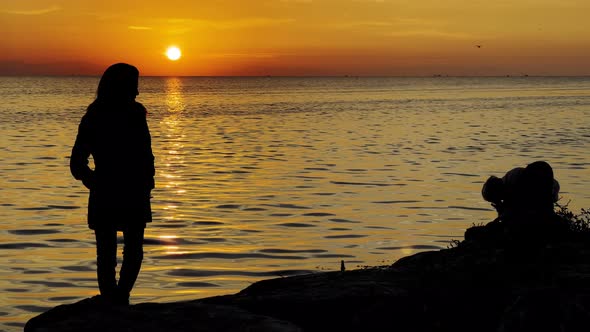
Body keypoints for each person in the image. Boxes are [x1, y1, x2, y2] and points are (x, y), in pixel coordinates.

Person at [70, 63, 155, 305]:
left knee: (116, 251)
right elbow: (77, 161)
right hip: (114, 190)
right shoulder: (96, 117)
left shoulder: (131, 114)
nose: (138, 92)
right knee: (113, 251)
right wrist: (93, 181)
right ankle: (115, 299)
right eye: (134, 86)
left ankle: (119, 298)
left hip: (130, 190)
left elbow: (146, 155)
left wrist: (147, 183)